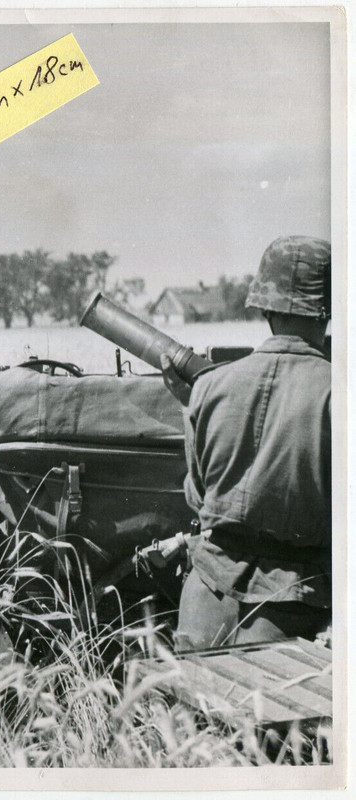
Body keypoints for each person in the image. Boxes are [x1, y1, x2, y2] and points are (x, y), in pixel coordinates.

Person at [162, 236, 331, 652]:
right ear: (327, 311)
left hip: (205, 597)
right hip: (291, 605)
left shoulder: (209, 387)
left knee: (191, 715)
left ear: (265, 307)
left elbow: (198, 496)